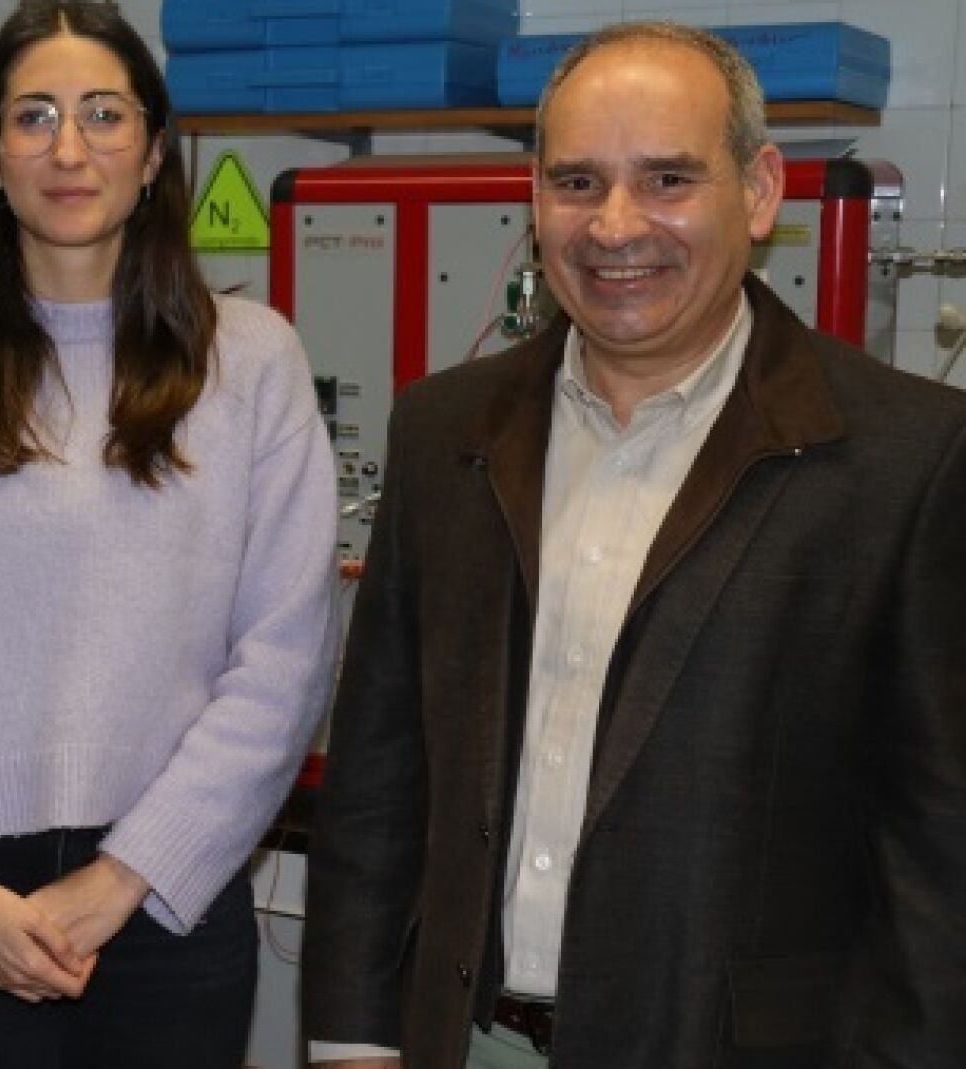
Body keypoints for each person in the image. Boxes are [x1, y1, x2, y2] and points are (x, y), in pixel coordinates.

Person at [301, 20, 966, 1069]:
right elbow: (378, 777)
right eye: (575, 182)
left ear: (755, 190)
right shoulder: (442, 433)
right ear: (533, 198)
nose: (614, 226)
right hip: (464, 1041)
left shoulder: (906, 460)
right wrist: (348, 1038)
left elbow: (939, 863)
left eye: (665, 178)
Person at [0, 3, 339, 1066]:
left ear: (152, 152)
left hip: (167, 907)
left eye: (102, 114)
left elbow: (283, 656)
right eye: (32, 116)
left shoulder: (252, 364)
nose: (67, 147)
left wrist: (123, 877)